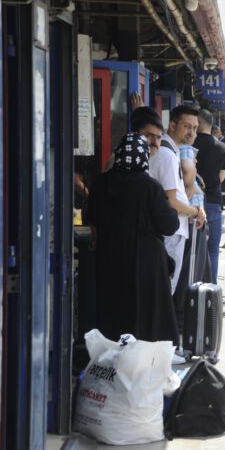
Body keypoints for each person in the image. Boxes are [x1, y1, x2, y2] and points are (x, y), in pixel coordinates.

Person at [89, 132, 179, 343]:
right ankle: (144, 357)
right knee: (146, 311)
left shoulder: (101, 184)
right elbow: (169, 225)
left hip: (110, 253)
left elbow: (92, 217)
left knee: (114, 306)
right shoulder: (150, 186)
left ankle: (113, 356)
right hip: (146, 259)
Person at [149, 105, 204, 315]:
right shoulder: (167, 155)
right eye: (186, 126)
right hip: (170, 232)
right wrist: (194, 212)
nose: (191, 132)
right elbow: (171, 201)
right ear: (172, 125)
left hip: (173, 229)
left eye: (195, 128)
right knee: (166, 289)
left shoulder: (173, 151)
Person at [193, 109, 225, 283]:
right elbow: (222, 177)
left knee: (192, 249)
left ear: (198, 122)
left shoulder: (189, 145)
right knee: (213, 250)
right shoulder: (222, 147)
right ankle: (210, 291)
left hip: (190, 202)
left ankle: (193, 288)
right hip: (213, 200)